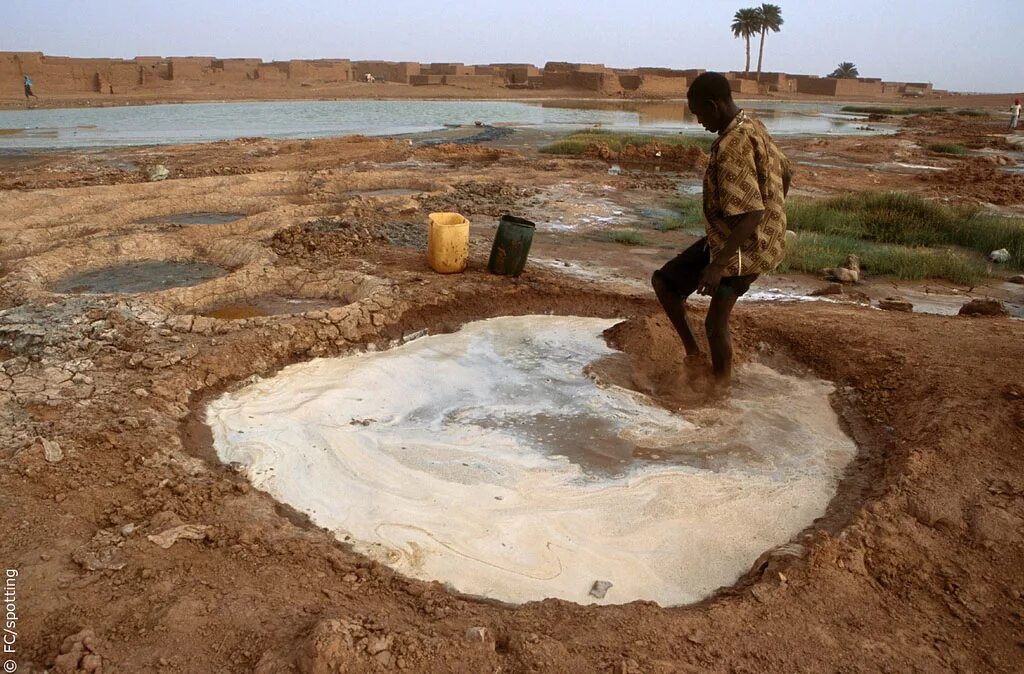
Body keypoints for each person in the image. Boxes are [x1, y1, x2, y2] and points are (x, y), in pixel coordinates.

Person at [651, 71, 791, 393]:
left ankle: (721, 390)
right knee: (665, 283)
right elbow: (786, 172)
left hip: (744, 247)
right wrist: (776, 216)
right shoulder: (752, 125)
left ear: (714, 106)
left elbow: (753, 211)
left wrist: (717, 265)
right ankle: (695, 356)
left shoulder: (731, 146)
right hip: (739, 239)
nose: (699, 122)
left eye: (699, 114)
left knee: (715, 324)